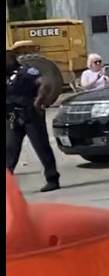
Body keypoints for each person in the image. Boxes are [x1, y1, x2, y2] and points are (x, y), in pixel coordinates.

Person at [6, 47, 60, 191]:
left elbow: (44, 83)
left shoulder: (26, 72)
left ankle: (52, 178)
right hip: (13, 116)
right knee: (10, 149)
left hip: (30, 114)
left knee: (41, 146)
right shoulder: (7, 75)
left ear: (10, 58)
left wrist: (38, 101)